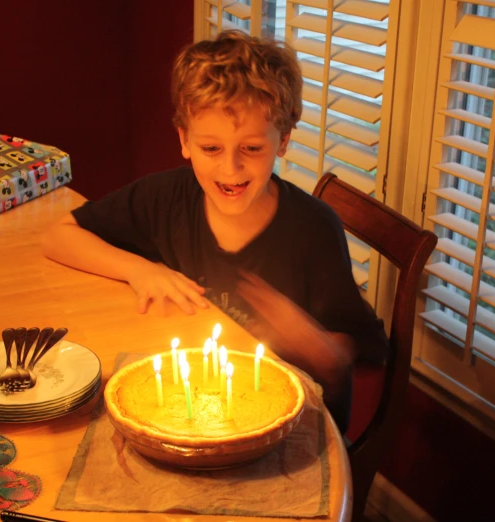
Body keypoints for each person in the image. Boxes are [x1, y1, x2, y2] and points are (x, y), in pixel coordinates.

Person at [42, 30, 388, 432]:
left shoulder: (314, 230)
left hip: (293, 426)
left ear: (284, 141)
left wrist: (314, 343)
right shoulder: (166, 198)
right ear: (185, 140)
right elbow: (57, 237)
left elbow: (354, 356)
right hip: (199, 410)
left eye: (252, 148)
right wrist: (142, 270)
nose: (230, 169)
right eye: (211, 149)